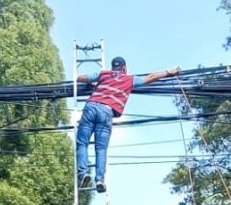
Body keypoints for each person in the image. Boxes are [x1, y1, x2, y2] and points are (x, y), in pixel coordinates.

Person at [75, 58, 180, 193]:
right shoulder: (129, 79)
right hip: (107, 112)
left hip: (91, 107)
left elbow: (82, 78)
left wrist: (89, 84)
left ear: (113, 67)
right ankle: (99, 180)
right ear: (124, 69)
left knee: (82, 143)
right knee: (101, 149)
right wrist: (169, 72)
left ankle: (83, 174)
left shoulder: (103, 74)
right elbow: (150, 78)